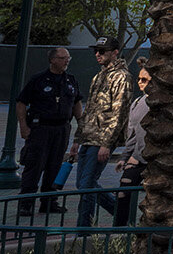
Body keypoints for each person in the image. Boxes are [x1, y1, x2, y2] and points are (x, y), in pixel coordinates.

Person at [13, 46, 82, 217]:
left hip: (61, 129)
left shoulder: (70, 80)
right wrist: (23, 126)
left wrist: (82, 124)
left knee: (54, 166)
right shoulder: (39, 80)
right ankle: (26, 203)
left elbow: (76, 103)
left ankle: (49, 202)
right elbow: (21, 103)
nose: (66, 61)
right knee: (34, 166)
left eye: (68, 58)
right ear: (52, 60)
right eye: (62, 58)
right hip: (40, 128)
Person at [73, 39, 134, 227]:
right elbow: (89, 110)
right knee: (83, 184)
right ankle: (120, 212)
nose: (98, 54)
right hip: (89, 138)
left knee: (87, 185)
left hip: (101, 140)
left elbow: (119, 113)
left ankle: (84, 228)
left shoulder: (122, 77)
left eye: (102, 51)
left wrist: (107, 144)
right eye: (96, 51)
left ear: (115, 52)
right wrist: (77, 139)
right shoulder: (99, 76)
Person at [113, 61, 152, 227]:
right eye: (139, 79)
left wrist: (136, 156)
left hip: (151, 159)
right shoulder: (137, 103)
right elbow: (133, 134)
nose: (140, 83)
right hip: (137, 159)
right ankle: (121, 230)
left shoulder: (160, 105)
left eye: (145, 80)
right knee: (123, 192)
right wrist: (125, 157)